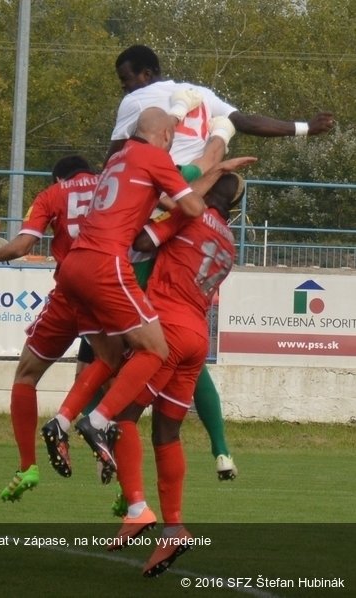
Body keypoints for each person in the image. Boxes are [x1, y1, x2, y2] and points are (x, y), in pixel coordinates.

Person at [102, 44, 335, 480]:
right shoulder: (223, 236)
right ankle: (221, 450)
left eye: (127, 77)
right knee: (183, 367)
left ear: (145, 73)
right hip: (193, 275)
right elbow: (245, 121)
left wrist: (105, 210)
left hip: (162, 205)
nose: (125, 86)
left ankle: (96, 424)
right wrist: (304, 127)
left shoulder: (137, 102)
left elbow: (117, 158)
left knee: (113, 340)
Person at [44, 108, 254, 480]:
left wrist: (195, 129)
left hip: (87, 269)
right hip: (155, 303)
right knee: (153, 407)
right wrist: (219, 145)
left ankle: (67, 422)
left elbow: (170, 206)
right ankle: (206, 456)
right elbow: (188, 192)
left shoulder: (116, 162)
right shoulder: (228, 242)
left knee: (100, 362)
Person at [108, 173, 244, 577]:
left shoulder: (191, 215)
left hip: (164, 330)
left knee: (121, 417)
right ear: (233, 209)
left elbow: (144, 242)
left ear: (203, 193)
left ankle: (136, 507)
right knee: (166, 433)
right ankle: (174, 526)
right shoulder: (230, 243)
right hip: (198, 338)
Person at [0, 155, 100, 501]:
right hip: (109, 293)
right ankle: (124, 483)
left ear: (59, 176)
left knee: (26, 376)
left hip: (69, 293)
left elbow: (20, 246)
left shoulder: (52, 194)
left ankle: (28, 466)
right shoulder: (113, 187)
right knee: (107, 376)